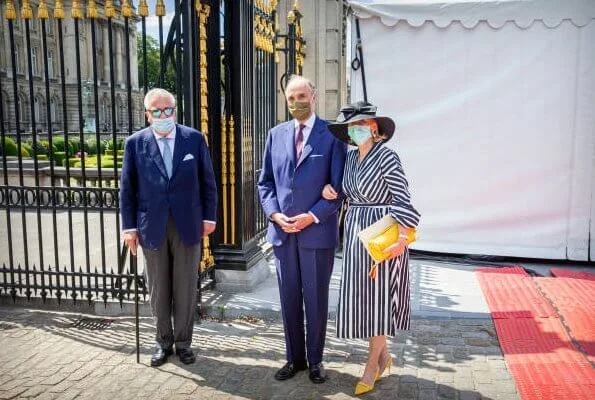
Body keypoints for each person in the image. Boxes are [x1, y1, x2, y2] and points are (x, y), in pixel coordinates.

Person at [323, 101, 421, 395]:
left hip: (382, 232)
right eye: (351, 128)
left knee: (378, 301)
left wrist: (402, 239)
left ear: (374, 128)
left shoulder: (388, 158)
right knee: (365, 299)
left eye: (361, 126)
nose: (355, 131)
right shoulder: (351, 159)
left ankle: (371, 366)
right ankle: (385, 355)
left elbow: (403, 199)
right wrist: (332, 191)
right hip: (355, 233)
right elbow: (347, 193)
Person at [257, 75, 347, 383]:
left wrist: (312, 215)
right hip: (283, 234)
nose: (297, 102)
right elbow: (265, 183)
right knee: (289, 298)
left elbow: (339, 189)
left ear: (314, 96)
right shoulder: (275, 134)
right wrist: (274, 215)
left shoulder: (332, 136)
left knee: (316, 299)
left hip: (316, 234)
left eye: (302, 96)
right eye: (291, 98)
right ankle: (294, 358)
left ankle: (316, 360)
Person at [120, 88, 217, 367]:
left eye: (168, 110)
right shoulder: (135, 144)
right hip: (152, 225)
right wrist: (129, 228)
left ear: (175, 110)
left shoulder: (194, 139)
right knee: (158, 288)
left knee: (185, 287)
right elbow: (127, 190)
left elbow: (208, 183)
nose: (164, 116)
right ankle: (163, 342)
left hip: (188, 224)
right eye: (157, 111)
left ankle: (184, 343)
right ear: (148, 115)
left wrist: (209, 218)